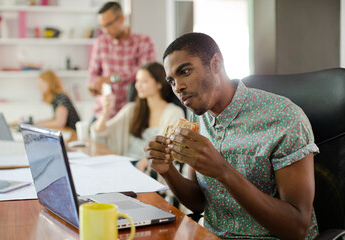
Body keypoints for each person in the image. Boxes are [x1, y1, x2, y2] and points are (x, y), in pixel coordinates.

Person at [144, 33, 319, 239]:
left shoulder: (284, 117)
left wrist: (223, 171)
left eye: (185, 71)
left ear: (215, 63)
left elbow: (297, 228)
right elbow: (200, 202)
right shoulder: (199, 118)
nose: (178, 87)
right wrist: (168, 171)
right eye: (171, 80)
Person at [90, 62, 184, 171]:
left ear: (159, 84)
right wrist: (105, 111)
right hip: (125, 165)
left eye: (144, 81)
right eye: (137, 81)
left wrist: (145, 162)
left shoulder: (174, 113)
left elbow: (169, 149)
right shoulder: (132, 109)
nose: (137, 86)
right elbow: (99, 134)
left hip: (148, 170)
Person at [88, 1, 156, 120]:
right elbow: (93, 73)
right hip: (104, 112)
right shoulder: (100, 42)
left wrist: (113, 78)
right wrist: (93, 86)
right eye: (102, 26)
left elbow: (145, 73)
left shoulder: (144, 42)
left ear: (122, 18)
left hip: (132, 113)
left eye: (109, 24)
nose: (106, 30)